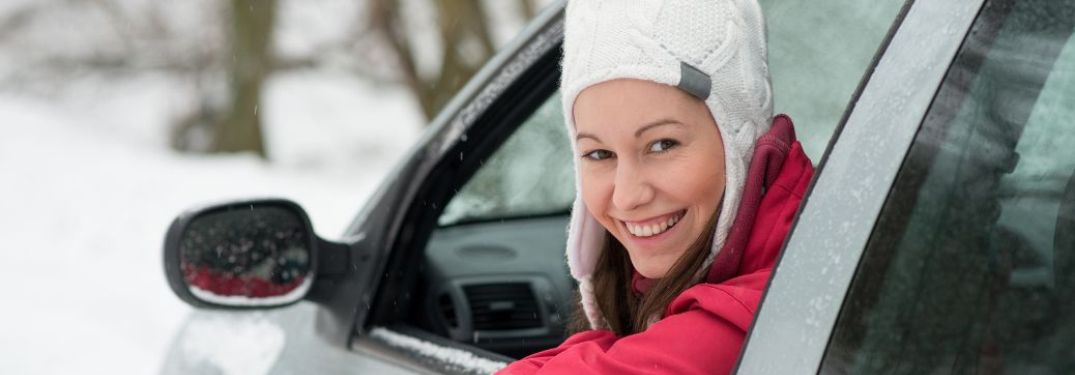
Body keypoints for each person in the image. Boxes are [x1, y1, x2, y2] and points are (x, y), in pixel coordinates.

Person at [496, 0, 814, 374]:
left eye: (662, 145)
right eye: (599, 154)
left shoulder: (763, 311)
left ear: (739, 143)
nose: (627, 196)